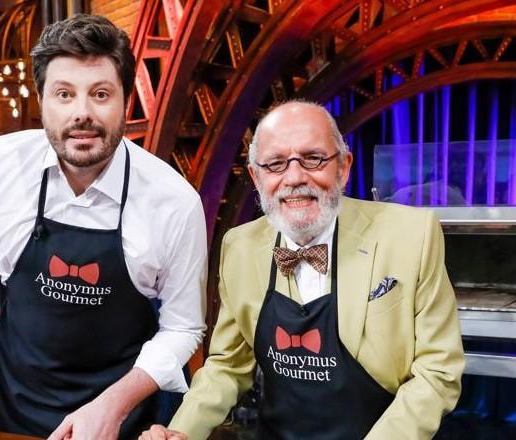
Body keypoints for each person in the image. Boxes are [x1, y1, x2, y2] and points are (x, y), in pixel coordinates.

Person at [0, 14, 207, 440]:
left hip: (121, 420)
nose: (82, 113)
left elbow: (184, 328)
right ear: (41, 100)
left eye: (101, 94)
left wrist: (113, 405)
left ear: (125, 99)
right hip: (13, 413)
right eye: (64, 94)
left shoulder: (174, 201)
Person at [140, 101, 464, 440]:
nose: (294, 178)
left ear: (343, 167)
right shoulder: (239, 246)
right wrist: (180, 431)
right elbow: (227, 366)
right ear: (256, 176)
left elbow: (437, 371)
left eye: (313, 158)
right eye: (276, 164)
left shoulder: (412, 234)